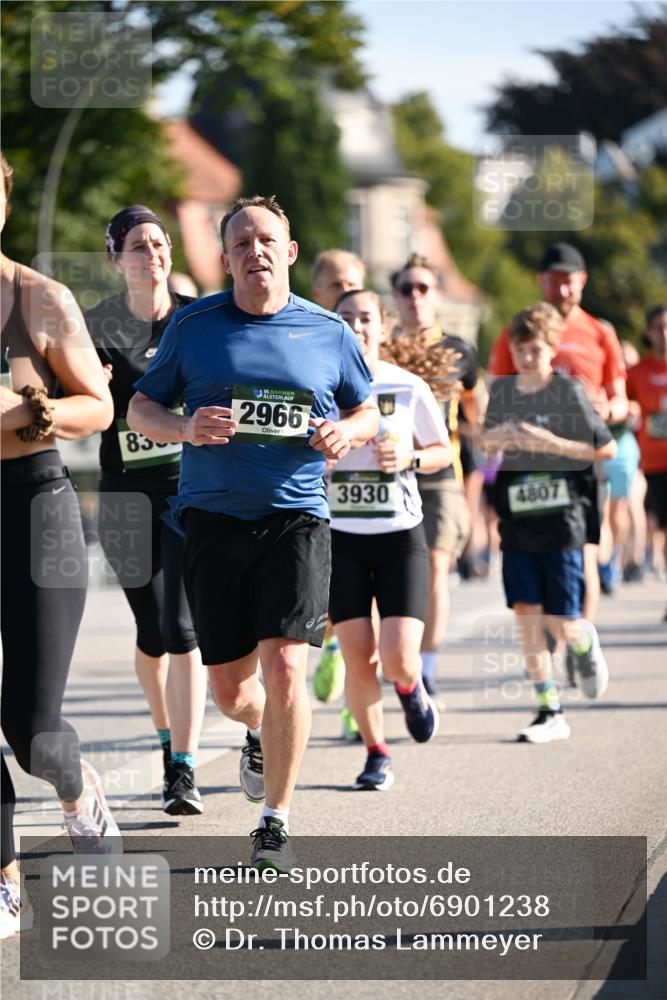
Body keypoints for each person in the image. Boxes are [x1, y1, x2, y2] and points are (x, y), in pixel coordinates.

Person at [127, 195, 378, 870]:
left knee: (289, 666)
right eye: (240, 244)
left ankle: (275, 820)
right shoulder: (196, 325)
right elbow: (140, 405)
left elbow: (366, 411)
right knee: (233, 692)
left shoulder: (328, 330)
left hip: (297, 516)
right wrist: (184, 427)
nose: (254, 252)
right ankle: (259, 734)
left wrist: (344, 432)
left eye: (265, 240)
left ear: (288, 251)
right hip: (212, 520)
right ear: (225, 257)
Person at [0, 153, 118, 939]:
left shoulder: (38, 299)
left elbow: (99, 407)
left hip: (34, 508)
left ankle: (76, 789)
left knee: (34, 729)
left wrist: (27, 409)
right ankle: (6, 880)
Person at [83, 206, 206, 817]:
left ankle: (182, 767)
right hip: (125, 496)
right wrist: (89, 390)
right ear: (116, 257)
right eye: (138, 245)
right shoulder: (94, 325)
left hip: (190, 492)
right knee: (153, 632)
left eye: (159, 243)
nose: (152, 253)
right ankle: (165, 739)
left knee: (184, 631)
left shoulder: (198, 316)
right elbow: (71, 406)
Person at [327, 289, 451, 789]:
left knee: (399, 656)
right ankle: (376, 753)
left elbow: (442, 450)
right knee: (359, 657)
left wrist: (410, 460)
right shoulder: (320, 385)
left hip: (399, 533)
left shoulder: (406, 386)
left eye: (365, 319)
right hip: (339, 537)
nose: (357, 327)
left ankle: (411, 687)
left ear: (383, 327)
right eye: (347, 319)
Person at [481, 303, 616, 743]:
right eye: (520, 350)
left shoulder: (568, 392)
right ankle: (548, 707)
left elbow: (604, 449)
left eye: (535, 350)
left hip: (563, 520)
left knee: (561, 619)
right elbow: (485, 444)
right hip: (518, 518)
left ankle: (581, 641)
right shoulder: (503, 394)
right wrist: (499, 439)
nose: (526, 358)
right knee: (526, 614)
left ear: (552, 348)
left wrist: (549, 442)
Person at [487, 242, 628, 639]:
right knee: (536, 558)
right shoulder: (519, 330)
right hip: (529, 464)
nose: (562, 290)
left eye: (569, 282)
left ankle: (578, 643)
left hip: (582, 457)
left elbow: (619, 399)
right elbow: (496, 390)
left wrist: (606, 408)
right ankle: (556, 640)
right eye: (554, 282)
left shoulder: (600, 332)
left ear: (582, 282)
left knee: (582, 551)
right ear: (541, 282)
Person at [391, 254, 481, 695]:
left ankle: (426, 668)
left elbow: (475, 413)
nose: (414, 297)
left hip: (441, 470)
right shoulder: (383, 347)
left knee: (436, 568)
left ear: (437, 295)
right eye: (406, 289)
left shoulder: (459, 350)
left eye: (423, 288)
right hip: (387, 473)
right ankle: (387, 657)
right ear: (395, 297)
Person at [309, 248, 367, 732]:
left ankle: (358, 705)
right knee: (334, 593)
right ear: (318, 292)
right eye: (336, 286)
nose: (346, 292)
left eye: (354, 283)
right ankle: (332, 644)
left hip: (375, 498)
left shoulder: (366, 343)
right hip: (319, 492)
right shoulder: (306, 337)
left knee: (373, 604)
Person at [626, 306, 667, 618]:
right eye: (659, 327)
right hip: (654, 462)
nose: (664, 333)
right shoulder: (638, 372)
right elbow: (624, 405)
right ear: (650, 332)